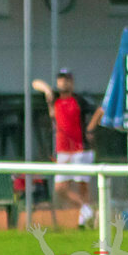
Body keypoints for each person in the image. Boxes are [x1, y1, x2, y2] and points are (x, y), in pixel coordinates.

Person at [32, 69, 101, 228]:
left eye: (67, 80)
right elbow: (35, 83)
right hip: (62, 150)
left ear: (72, 82)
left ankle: (83, 220)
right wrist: (46, 89)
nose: (64, 83)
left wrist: (90, 128)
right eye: (61, 80)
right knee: (60, 188)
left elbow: (99, 110)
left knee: (82, 185)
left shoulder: (79, 100)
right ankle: (88, 209)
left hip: (80, 149)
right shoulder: (54, 98)